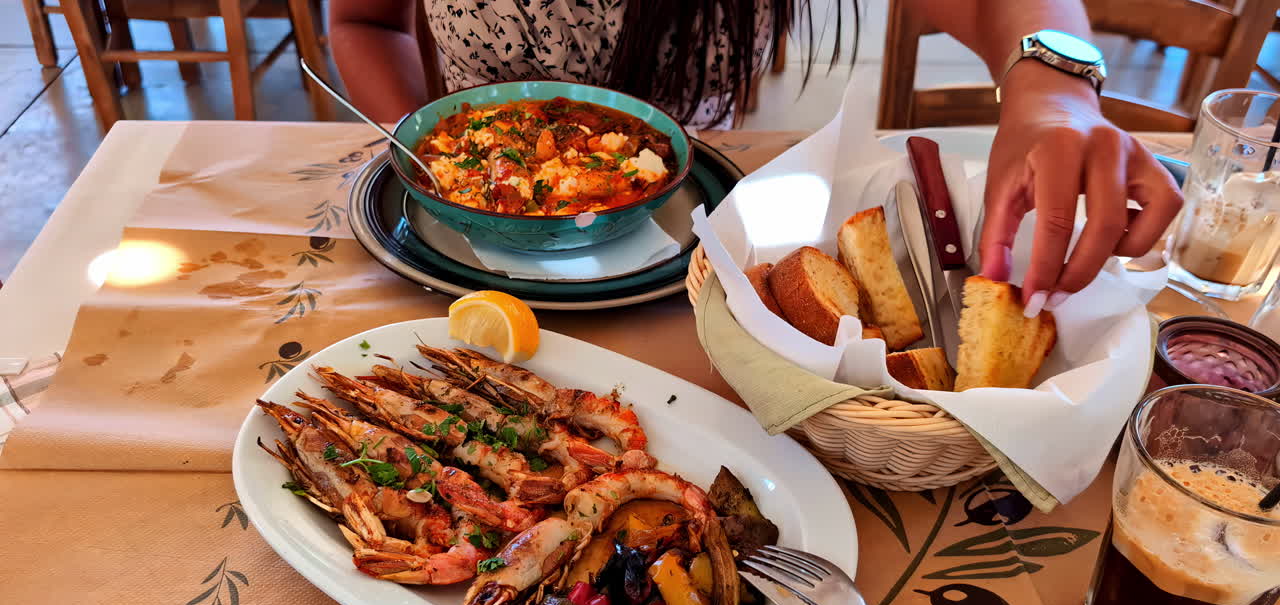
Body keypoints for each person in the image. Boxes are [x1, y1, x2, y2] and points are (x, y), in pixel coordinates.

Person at [330, 0, 1182, 317]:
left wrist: (1055, 91)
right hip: (448, 272)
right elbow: (363, 23)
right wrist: (434, 157)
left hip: (689, 262)